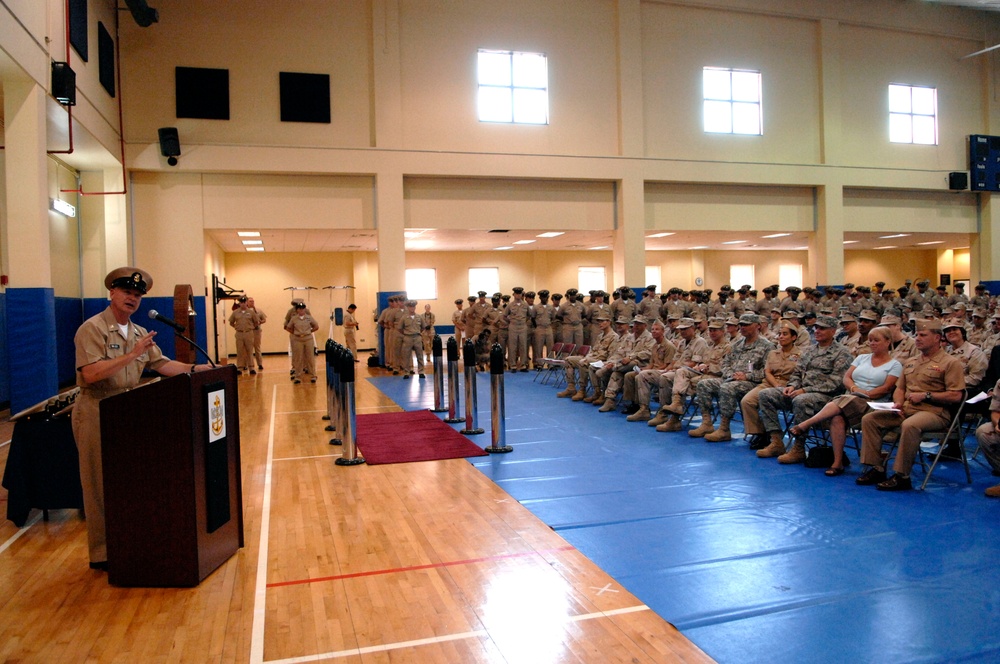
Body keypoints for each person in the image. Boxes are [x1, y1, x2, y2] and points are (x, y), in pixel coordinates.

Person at [72, 267, 213, 571]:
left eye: (137, 295)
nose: (132, 299)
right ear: (112, 293)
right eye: (126, 293)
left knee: (128, 480)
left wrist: (199, 370)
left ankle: (128, 542)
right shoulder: (93, 328)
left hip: (128, 409)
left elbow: (162, 364)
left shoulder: (137, 332)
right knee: (98, 484)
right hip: (96, 409)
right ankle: (102, 553)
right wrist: (132, 354)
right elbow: (91, 372)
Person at [856, 319, 965, 491]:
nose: (917, 338)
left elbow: (956, 395)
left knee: (910, 425)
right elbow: (900, 388)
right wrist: (898, 403)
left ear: (937, 338)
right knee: (870, 419)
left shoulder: (950, 363)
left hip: (935, 412)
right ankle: (876, 467)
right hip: (907, 409)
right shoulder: (911, 361)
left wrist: (927, 395)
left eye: (923, 335)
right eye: (917, 334)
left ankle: (902, 476)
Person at [788, 327, 902, 475]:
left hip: (874, 404)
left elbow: (886, 388)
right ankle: (837, 462)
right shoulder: (861, 358)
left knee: (845, 401)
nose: (872, 343)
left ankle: (805, 424)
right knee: (837, 418)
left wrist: (865, 393)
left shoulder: (895, 365)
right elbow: (846, 378)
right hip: (851, 399)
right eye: (871, 340)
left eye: (877, 340)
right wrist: (856, 389)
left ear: (888, 342)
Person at [755, 315, 854, 462]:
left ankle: (799, 447)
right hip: (800, 392)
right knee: (765, 394)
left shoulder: (842, 353)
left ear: (833, 331)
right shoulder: (809, 350)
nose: (817, 331)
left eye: (822, 328)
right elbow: (797, 372)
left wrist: (805, 390)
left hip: (827, 399)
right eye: (817, 327)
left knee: (802, 400)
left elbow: (836, 383)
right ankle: (776, 441)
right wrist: (791, 386)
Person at [696, 313, 775, 442]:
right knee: (704, 384)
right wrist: (731, 374)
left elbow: (768, 371)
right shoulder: (737, 344)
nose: (743, 327)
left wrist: (747, 376)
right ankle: (707, 423)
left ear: (757, 326)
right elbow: (726, 363)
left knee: (727, 388)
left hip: (752, 383)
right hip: (731, 378)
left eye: (747, 325)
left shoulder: (767, 346)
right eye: (741, 325)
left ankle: (724, 428)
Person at [742, 321, 801, 450]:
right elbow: (767, 372)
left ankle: (772, 436)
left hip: (788, 386)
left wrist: (782, 387)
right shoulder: (773, 353)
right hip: (769, 383)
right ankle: (761, 433)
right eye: (779, 334)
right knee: (747, 401)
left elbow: (799, 375)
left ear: (794, 337)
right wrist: (775, 384)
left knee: (765, 398)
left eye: (785, 334)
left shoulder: (801, 355)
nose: (781, 336)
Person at [286, 301, 320, 383]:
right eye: (299, 309)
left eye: (303, 309)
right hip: (298, 339)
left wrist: (309, 331)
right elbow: (288, 327)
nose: (301, 311)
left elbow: (316, 326)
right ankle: (298, 376)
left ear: (305, 310)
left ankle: (313, 375)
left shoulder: (309, 318)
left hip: (308, 339)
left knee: (310, 357)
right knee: (298, 358)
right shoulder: (294, 318)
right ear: (297, 310)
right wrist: (295, 333)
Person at [228, 295, 260, 375]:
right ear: (239, 303)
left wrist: (251, 327)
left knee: (249, 350)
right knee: (240, 351)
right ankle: (240, 368)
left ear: (246, 303)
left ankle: (251, 367)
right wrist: (236, 327)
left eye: (244, 302)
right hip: (239, 333)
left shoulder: (251, 312)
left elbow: (256, 322)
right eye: (241, 302)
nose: (243, 304)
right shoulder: (235, 312)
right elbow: (231, 322)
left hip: (249, 333)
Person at [397, 300, 426, 378]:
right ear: (408, 308)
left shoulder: (419, 317)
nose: (412, 308)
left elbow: (423, 327)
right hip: (408, 337)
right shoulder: (404, 317)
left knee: (419, 355)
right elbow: (399, 328)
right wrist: (406, 333)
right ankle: (406, 372)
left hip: (417, 337)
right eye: (410, 307)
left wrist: (419, 333)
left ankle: (421, 371)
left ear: (415, 307)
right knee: (406, 355)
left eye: (413, 307)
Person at [247, 296, 266, 371]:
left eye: (253, 301)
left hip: (257, 331)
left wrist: (259, 322)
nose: (252, 302)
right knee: (248, 349)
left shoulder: (258, 311)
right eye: (250, 301)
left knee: (257, 348)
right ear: (247, 302)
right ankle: (247, 365)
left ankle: (260, 364)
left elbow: (264, 319)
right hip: (248, 331)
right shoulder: (245, 311)